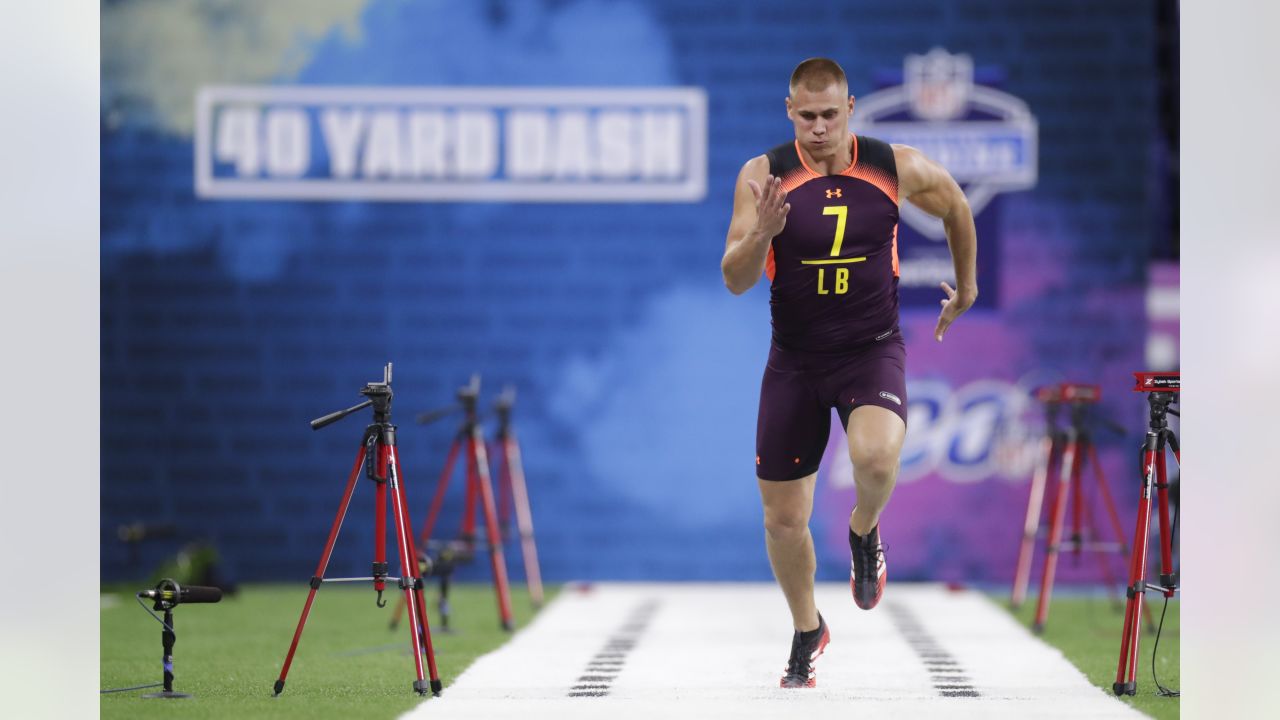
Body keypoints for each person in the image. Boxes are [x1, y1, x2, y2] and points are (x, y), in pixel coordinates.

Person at [720, 57, 977, 689]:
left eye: (829, 114)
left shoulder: (894, 165)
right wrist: (764, 236)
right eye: (805, 116)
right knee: (782, 520)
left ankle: (865, 531)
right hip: (796, 360)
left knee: (877, 458)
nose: (817, 127)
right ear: (789, 111)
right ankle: (808, 628)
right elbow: (733, 277)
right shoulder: (764, 175)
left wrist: (966, 287)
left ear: (850, 108)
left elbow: (956, 206)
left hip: (870, 349)